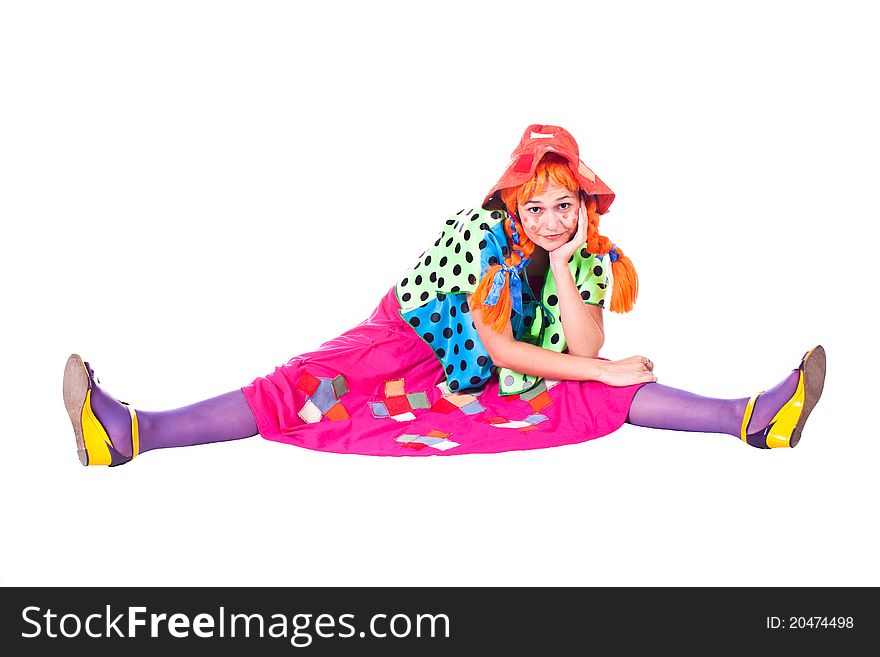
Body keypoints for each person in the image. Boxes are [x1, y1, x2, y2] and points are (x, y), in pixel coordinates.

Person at [62, 124, 826, 466]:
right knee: (298, 388)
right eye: (537, 205)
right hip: (412, 337)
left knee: (598, 392)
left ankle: (750, 420)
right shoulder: (476, 235)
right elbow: (499, 345)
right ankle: (136, 432)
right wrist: (603, 367)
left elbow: (583, 353)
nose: (551, 218)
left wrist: (565, 271)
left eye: (566, 204)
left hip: (495, 361)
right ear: (511, 204)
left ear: (584, 204)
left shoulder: (585, 250)